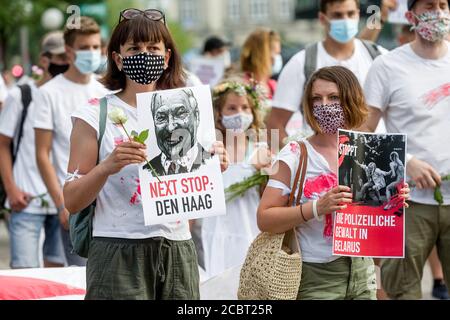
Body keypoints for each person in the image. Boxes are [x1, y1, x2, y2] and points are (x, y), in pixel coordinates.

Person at [63, 8, 229, 300]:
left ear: (166, 58)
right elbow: (72, 199)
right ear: (118, 58)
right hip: (117, 250)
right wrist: (106, 167)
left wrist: (214, 164)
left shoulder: (189, 110)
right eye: (134, 48)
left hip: (177, 248)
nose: (145, 55)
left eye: (153, 48)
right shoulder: (94, 115)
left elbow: (197, 181)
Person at [257, 66, 410, 300]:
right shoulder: (295, 154)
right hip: (316, 275)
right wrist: (317, 207)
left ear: (350, 98)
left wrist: (394, 201)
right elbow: (265, 218)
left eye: (334, 97)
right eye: (316, 99)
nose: (324, 105)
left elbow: (373, 218)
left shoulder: (368, 150)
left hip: (361, 270)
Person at [361, 0, 450, 300]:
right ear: (411, 15)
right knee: (402, 293)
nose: (438, 13)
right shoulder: (387, 66)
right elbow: (360, 136)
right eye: (429, 6)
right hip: (406, 203)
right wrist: (407, 162)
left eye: (443, 5)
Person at [34, 17, 108, 267]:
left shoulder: (106, 90)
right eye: (84, 48)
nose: (92, 53)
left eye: (96, 47)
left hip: (106, 203)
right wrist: (61, 204)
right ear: (69, 51)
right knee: (78, 279)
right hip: (73, 204)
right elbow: (42, 153)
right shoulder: (48, 93)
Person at [267, 0, 388, 147]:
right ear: (323, 18)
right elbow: (274, 125)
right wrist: (299, 159)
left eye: (350, 14)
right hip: (319, 165)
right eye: (337, 15)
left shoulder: (379, 57)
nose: (345, 20)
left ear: (357, 14)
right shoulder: (302, 62)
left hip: (372, 159)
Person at [0, 31, 69, 269]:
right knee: (25, 276)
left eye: (69, 56)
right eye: (60, 57)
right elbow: (2, 144)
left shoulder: (72, 97)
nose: (66, 62)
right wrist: (11, 189)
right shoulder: (22, 95)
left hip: (65, 203)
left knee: (60, 279)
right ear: (44, 59)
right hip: (27, 201)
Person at [201, 79, 271, 280]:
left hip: (248, 229)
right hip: (216, 230)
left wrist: (267, 173)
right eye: (231, 108)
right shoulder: (212, 150)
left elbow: (268, 196)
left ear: (253, 112)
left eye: (244, 107)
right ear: (219, 114)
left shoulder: (259, 151)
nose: (239, 114)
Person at [143, 88, 212, 176]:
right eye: (161, 117)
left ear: (196, 116)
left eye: (179, 114)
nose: (170, 128)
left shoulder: (212, 163)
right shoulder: (145, 172)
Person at [240, 28, 281, 102]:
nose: (277, 58)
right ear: (261, 56)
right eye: (275, 53)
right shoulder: (241, 87)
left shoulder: (274, 86)